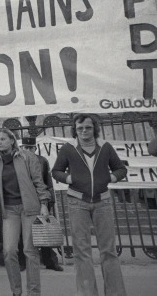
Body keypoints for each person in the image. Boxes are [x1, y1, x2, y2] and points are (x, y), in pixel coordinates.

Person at [52, 114, 128, 296]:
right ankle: (87, 293)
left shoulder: (105, 147)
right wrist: (69, 178)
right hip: (77, 201)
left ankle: (116, 293)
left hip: (103, 201)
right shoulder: (69, 148)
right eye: (80, 128)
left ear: (94, 128)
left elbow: (121, 168)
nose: (84, 131)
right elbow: (56, 171)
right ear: (75, 130)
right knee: (81, 251)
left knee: (108, 250)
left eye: (87, 127)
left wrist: (111, 177)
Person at [0, 128, 50, 296]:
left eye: (3, 139)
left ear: (12, 140)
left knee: (30, 251)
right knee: (9, 251)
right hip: (9, 210)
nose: (0, 142)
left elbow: (39, 182)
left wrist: (44, 203)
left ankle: (33, 292)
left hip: (29, 208)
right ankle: (16, 291)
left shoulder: (27, 157)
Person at [19, 137, 63, 272]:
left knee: (44, 231)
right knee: (23, 233)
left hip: (40, 200)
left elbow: (47, 181)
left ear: (35, 148)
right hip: (23, 201)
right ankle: (22, 262)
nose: (27, 150)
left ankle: (50, 261)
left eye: (30, 148)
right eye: (24, 147)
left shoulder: (42, 161)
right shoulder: (18, 160)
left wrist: (49, 201)